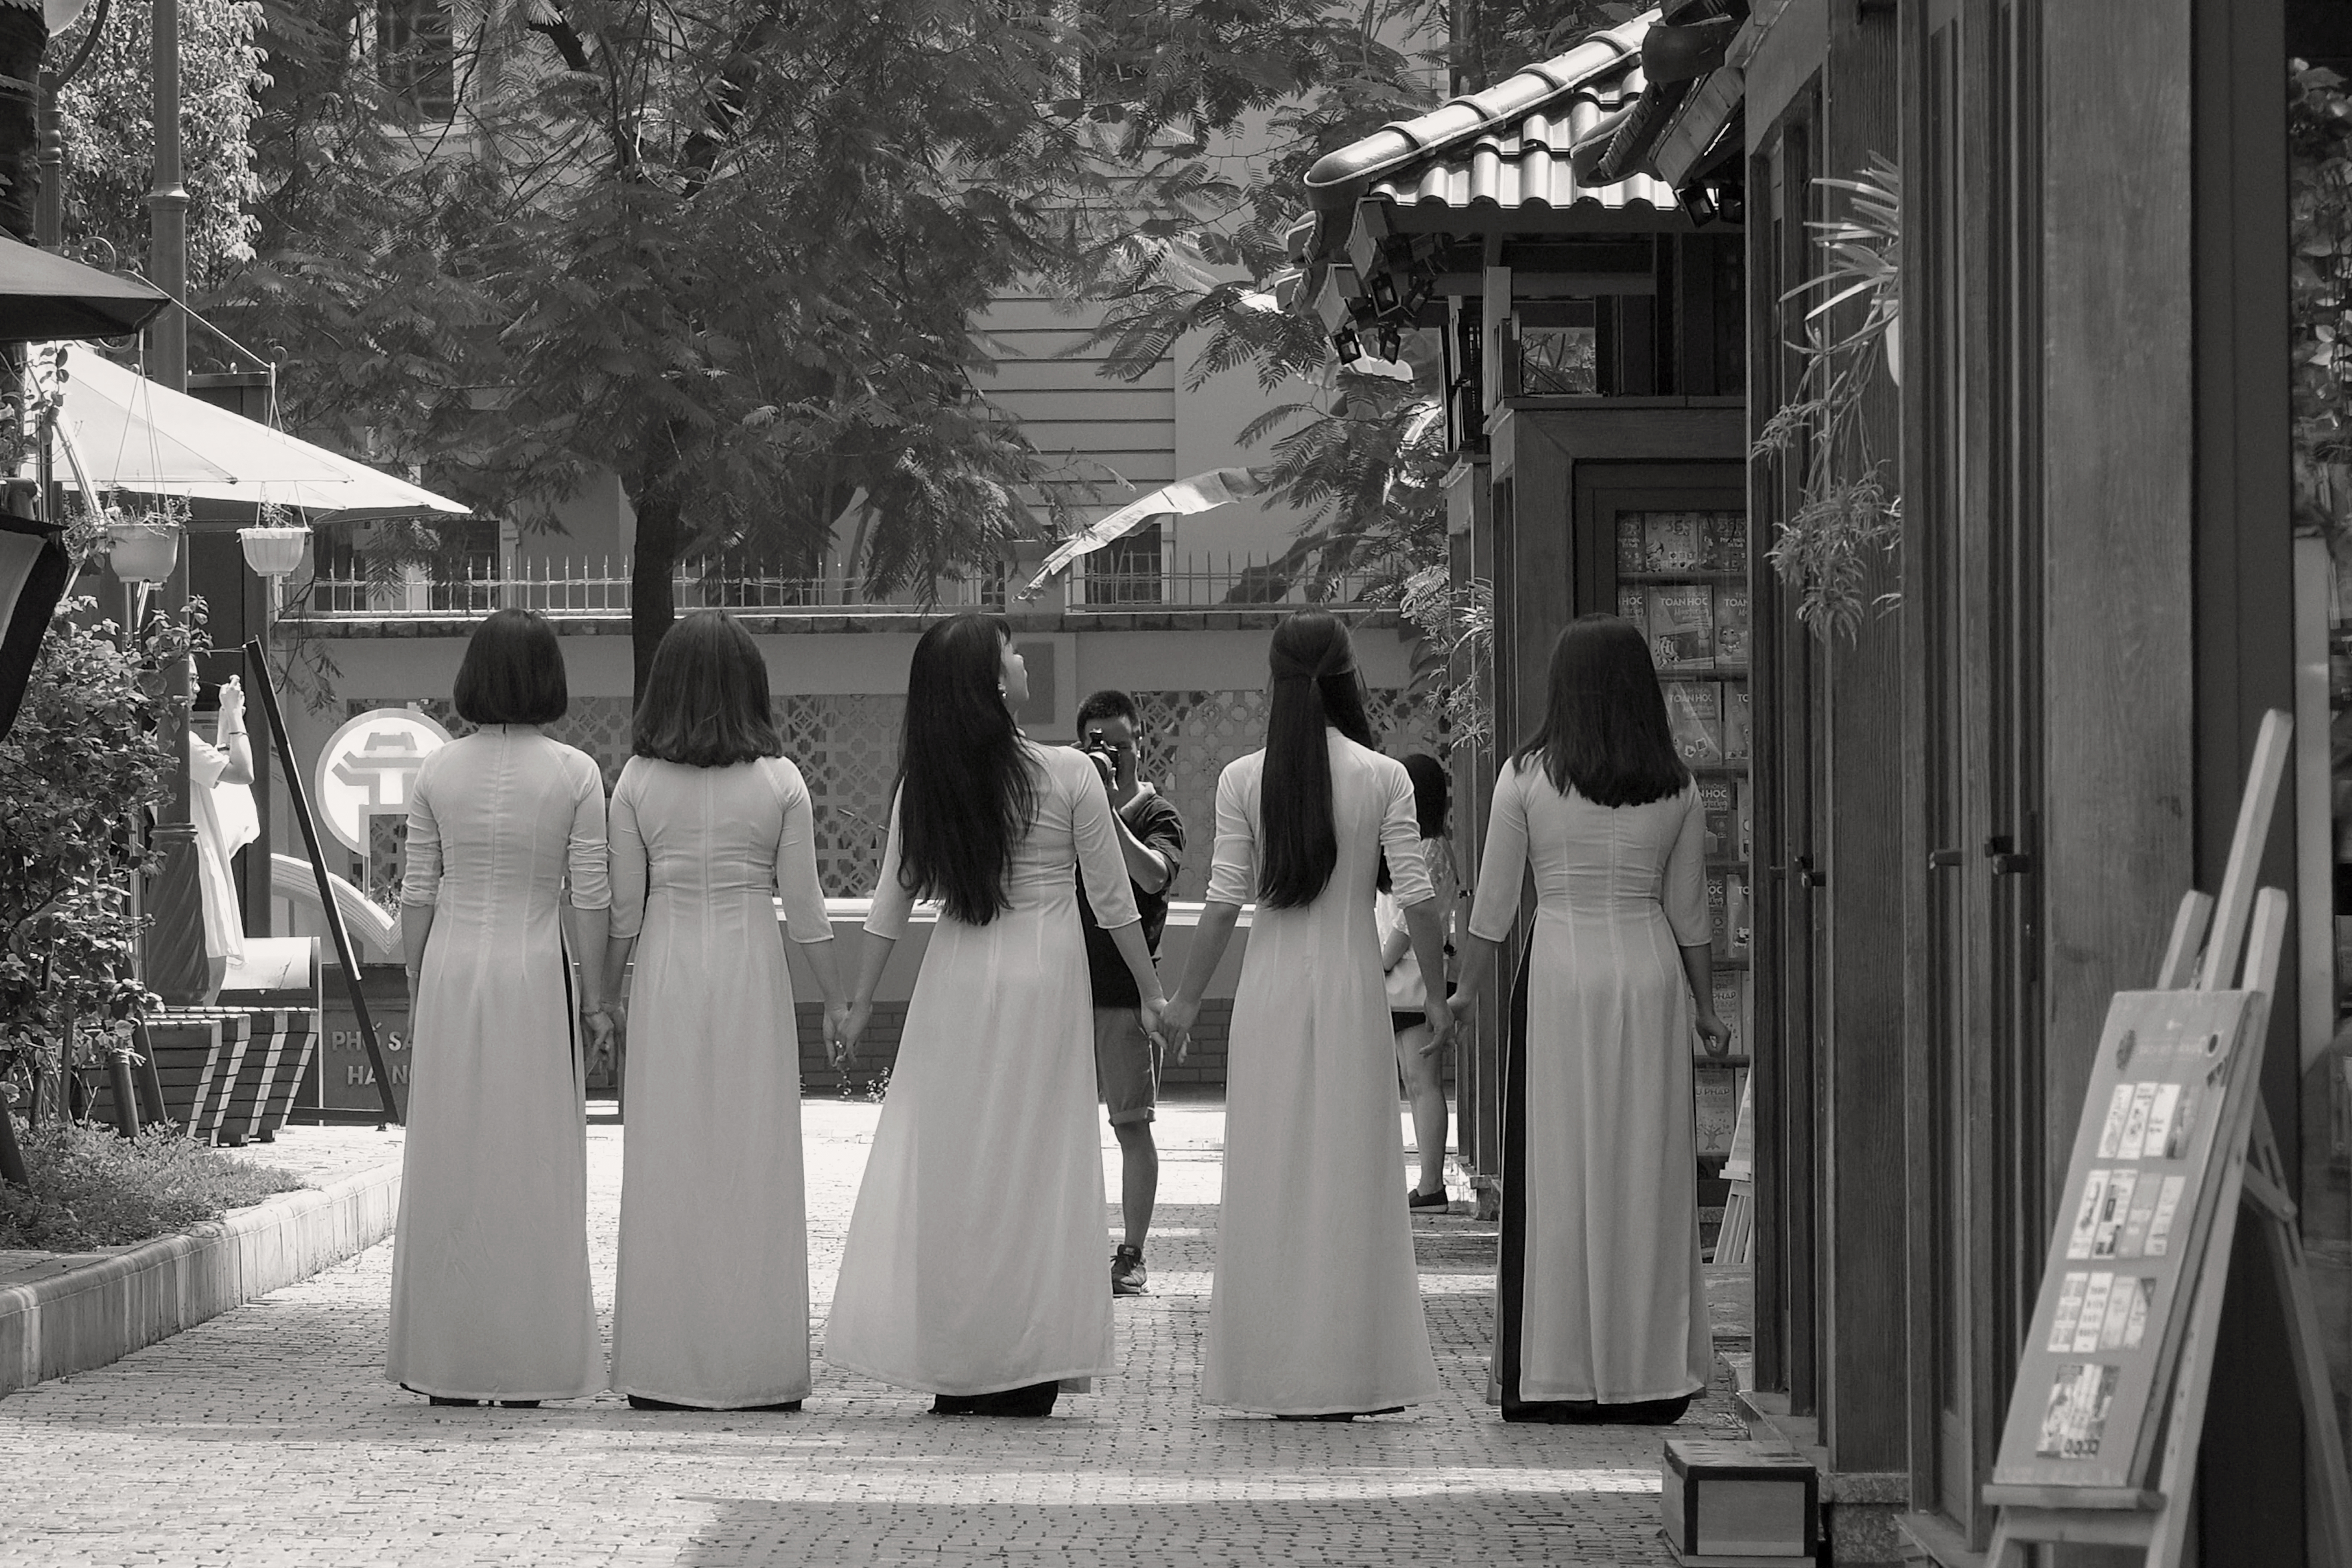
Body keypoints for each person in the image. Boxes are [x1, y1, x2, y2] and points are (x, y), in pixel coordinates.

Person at [827, 613, 1169, 1418]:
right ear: (992, 682)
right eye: (1011, 652)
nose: (1022, 661)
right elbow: (1114, 899)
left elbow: (891, 903)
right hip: (1047, 976)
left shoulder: (928, 785)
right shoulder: (1068, 774)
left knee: (959, 1169)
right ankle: (1027, 1358)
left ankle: (961, 1356)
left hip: (956, 980)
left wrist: (862, 1001)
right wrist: (1153, 992)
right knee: (1037, 1166)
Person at [1161, 611, 1451, 1419]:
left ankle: (1276, 1367)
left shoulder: (1243, 779)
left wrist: (1184, 1000)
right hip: (1356, 989)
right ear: (1349, 675)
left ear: (1274, 678)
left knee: (1274, 1174)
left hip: (1271, 992)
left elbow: (1221, 905)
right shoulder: (1383, 776)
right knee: (1356, 1175)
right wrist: (1434, 995)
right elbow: (1418, 899)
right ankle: (1355, 1368)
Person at [1451, 613, 1730, 1425]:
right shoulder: (1674, 784)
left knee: (1559, 1167)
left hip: (1562, 971)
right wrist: (1708, 1010)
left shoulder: (1525, 778)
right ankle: (1650, 1368)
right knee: (1648, 1169)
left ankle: (1560, 1369)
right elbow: (1691, 912)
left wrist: (1464, 995)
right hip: (1647, 976)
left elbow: (1494, 908)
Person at [603, 611, 848, 1412]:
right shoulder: (780, 782)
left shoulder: (636, 781)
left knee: (667, 1160)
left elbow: (624, 910)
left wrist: (603, 995)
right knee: (756, 1159)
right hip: (751, 968)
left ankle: (662, 1367)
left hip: (668, 969)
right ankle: (760, 1367)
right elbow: (807, 911)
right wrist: (840, 997)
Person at [388, 608, 615, 1409]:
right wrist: (600, 998)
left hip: (453, 968)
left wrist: (417, 991)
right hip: (533, 970)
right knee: (534, 1159)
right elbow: (590, 895)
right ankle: (529, 1358)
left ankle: (446, 1357)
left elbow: (417, 893)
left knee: (452, 1157)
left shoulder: (437, 771)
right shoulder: (576, 772)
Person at [1072, 689, 1186, 1296]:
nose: (1110, 754)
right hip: (1065, 992)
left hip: (1125, 998)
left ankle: (1133, 1253)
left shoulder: (1157, 814)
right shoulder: (1068, 802)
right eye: (1097, 744)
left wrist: (1104, 811)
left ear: (1139, 742)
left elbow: (1152, 875)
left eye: (1119, 743)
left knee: (1131, 1126)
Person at [1375, 753, 1458, 1211]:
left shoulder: (1427, 850)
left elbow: (1414, 919)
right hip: (1412, 980)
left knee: (1422, 1083)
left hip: (1412, 980)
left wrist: (1380, 961)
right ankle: (1428, 1183)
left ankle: (1431, 1185)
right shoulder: (1429, 846)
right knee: (1417, 1082)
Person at [186, 669, 257, 1003]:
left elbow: (222, 764)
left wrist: (230, 722)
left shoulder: (180, 738)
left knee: (213, 970)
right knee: (210, 972)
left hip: (202, 854)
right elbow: (243, 773)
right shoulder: (180, 740)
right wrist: (232, 715)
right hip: (197, 858)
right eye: (188, 678)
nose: (197, 686)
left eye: (197, 678)